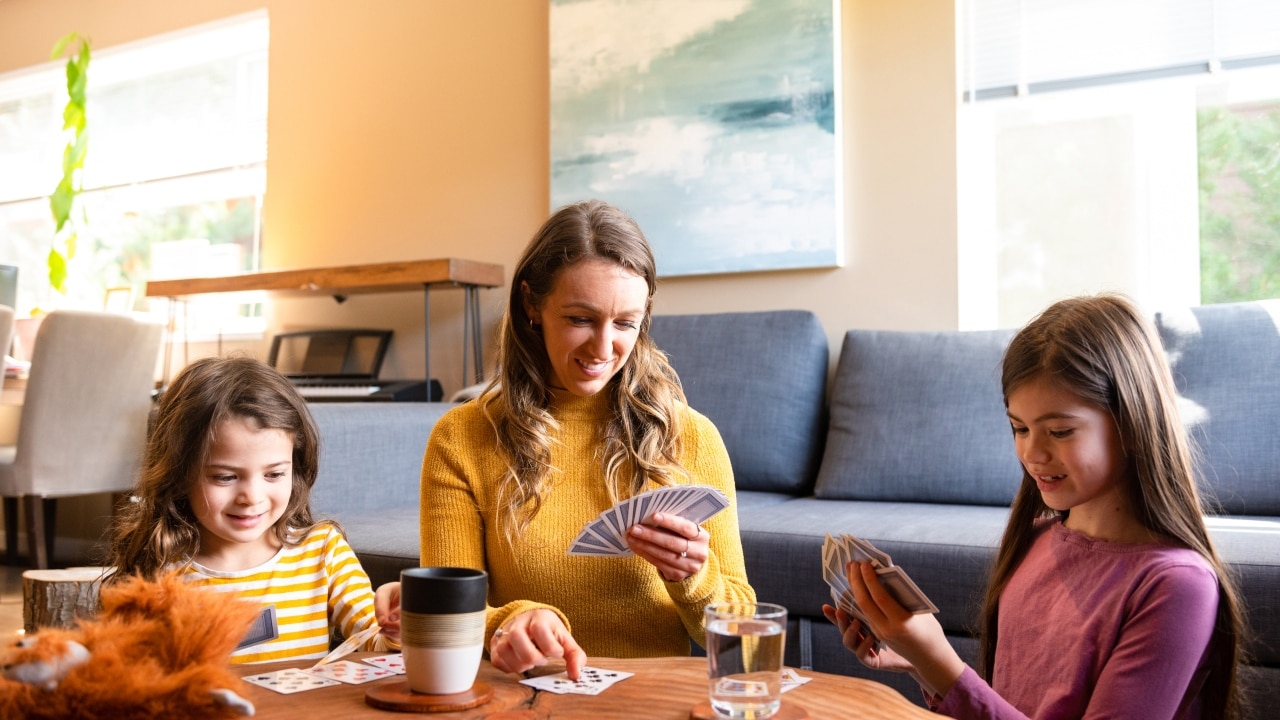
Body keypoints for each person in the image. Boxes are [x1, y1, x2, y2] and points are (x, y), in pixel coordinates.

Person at [375, 199, 755, 680]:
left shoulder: (691, 436)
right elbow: (449, 611)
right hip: (524, 699)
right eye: (580, 319)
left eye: (625, 324)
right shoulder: (462, 438)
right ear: (533, 304)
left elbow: (742, 634)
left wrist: (692, 576)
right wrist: (509, 622)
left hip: (648, 703)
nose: (603, 348)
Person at [823, 294, 1250, 719]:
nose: (1031, 453)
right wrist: (919, 662)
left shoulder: (1177, 585)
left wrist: (943, 666)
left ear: (1133, 424)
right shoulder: (1037, 538)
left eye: (1060, 432)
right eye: (1019, 428)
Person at [107, 355, 399, 664]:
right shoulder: (163, 572)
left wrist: (401, 627)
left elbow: (377, 647)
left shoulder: (324, 552)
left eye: (274, 474)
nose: (252, 497)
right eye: (225, 477)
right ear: (180, 475)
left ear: (295, 467)